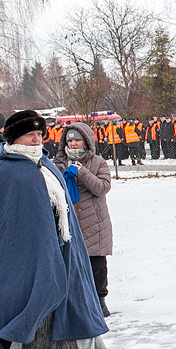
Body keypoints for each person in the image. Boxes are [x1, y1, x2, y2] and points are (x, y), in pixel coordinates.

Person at [0, 110, 110, 349]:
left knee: (69, 307)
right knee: (18, 306)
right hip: (24, 256)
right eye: (30, 135)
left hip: (62, 250)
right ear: (14, 138)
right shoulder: (7, 169)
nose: (37, 139)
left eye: (39, 134)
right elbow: (6, 219)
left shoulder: (44, 164)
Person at [54, 123, 114, 317]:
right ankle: (75, 303)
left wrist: (81, 172)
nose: (72, 144)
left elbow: (102, 188)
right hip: (69, 221)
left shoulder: (98, 163)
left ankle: (99, 300)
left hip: (94, 221)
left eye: (76, 140)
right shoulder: (58, 163)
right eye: (69, 140)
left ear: (86, 141)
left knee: (96, 264)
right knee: (71, 264)